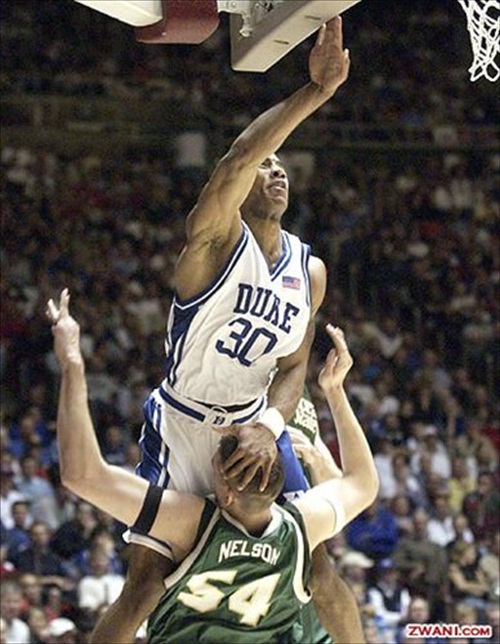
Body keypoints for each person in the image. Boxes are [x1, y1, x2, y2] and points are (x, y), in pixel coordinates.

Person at [83, 16, 359, 643]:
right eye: (268, 165)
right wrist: (315, 92)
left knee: (318, 566)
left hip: (256, 427)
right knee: (145, 585)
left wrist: (269, 428)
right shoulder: (211, 244)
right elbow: (239, 156)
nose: (277, 172)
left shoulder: (309, 270)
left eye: (284, 167)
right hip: (185, 422)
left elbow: (293, 366)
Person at [47, 289, 379, 642]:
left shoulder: (189, 523)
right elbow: (364, 483)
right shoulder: (300, 529)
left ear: (227, 494)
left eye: (217, 459)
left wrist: (72, 363)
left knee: (142, 586)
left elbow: (82, 474)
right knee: (321, 570)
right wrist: (335, 391)